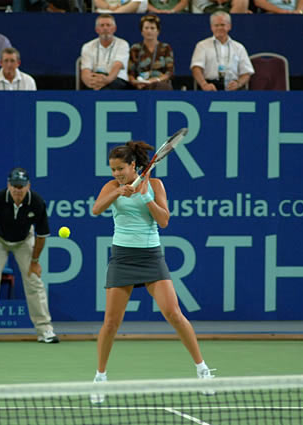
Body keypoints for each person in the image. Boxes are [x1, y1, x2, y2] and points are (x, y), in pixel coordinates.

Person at [90, 141, 214, 404]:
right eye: (113, 170)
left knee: (174, 313)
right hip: (122, 258)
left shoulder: (155, 185)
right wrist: (119, 192)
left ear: (133, 165)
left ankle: (202, 370)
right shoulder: (112, 186)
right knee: (111, 323)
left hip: (150, 256)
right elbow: (97, 208)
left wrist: (144, 196)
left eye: (120, 169)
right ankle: (100, 378)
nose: (116, 174)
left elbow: (164, 220)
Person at [0, 167, 59, 344]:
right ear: (8, 185)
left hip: (24, 240)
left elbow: (41, 236)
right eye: (14, 186)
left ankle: (45, 329)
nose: (17, 190)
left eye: (21, 186)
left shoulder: (36, 202)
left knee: (34, 281)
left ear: (28, 186)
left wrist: (35, 262)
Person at [190, 12, 254, 92]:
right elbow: (196, 68)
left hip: (233, 88)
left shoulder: (239, 47)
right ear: (211, 27)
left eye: (222, 25)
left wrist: (238, 83)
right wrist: (204, 84)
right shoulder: (202, 45)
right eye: (216, 25)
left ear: (229, 26)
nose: (219, 28)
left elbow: (246, 72)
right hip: (210, 87)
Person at [80, 14, 130, 91]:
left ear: (114, 28)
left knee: (106, 89)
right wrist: (91, 83)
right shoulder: (87, 46)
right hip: (94, 80)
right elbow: (85, 70)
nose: (105, 28)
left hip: (116, 80)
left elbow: (117, 66)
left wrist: (106, 80)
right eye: (102, 25)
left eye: (108, 25)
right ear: (97, 29)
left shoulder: (123, 44)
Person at [128, 15, 174, 91]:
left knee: (161, 87)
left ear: (158, 31)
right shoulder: (135, 48)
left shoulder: (166, 48)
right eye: (146, 28)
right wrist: (135, 82)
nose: (149, 31)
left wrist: (156, 80)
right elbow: (130, 72)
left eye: (152, 28)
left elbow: (169, 72)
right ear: (142, 31)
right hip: (140, 84)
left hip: (159, 83)